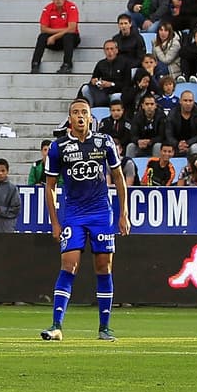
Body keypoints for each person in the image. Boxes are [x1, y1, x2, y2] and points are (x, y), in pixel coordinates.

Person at [41, 97, 130, 343]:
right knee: (69, 264)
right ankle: (56, 325)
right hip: (74, 214)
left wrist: (123, 213)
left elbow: (119, 177)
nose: (80, 116)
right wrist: (55, 222)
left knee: (103, 266)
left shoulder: (104, 142)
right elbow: (50, 186)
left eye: (84, 112)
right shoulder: (58, 147)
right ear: (70, 118)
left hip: (101, 213)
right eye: (76, 112)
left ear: (91, 117)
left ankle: (104, 327)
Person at [30, 0, 80, 73]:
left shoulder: (71, 7)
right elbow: (43, 29)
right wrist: (63, 31)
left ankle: (67, 65)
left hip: (70, 40)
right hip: (53, 41)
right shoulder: (47, 9)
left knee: (68, 36)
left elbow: (72, 29)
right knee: (42, 37)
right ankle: (35, 64)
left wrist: (54, 36)